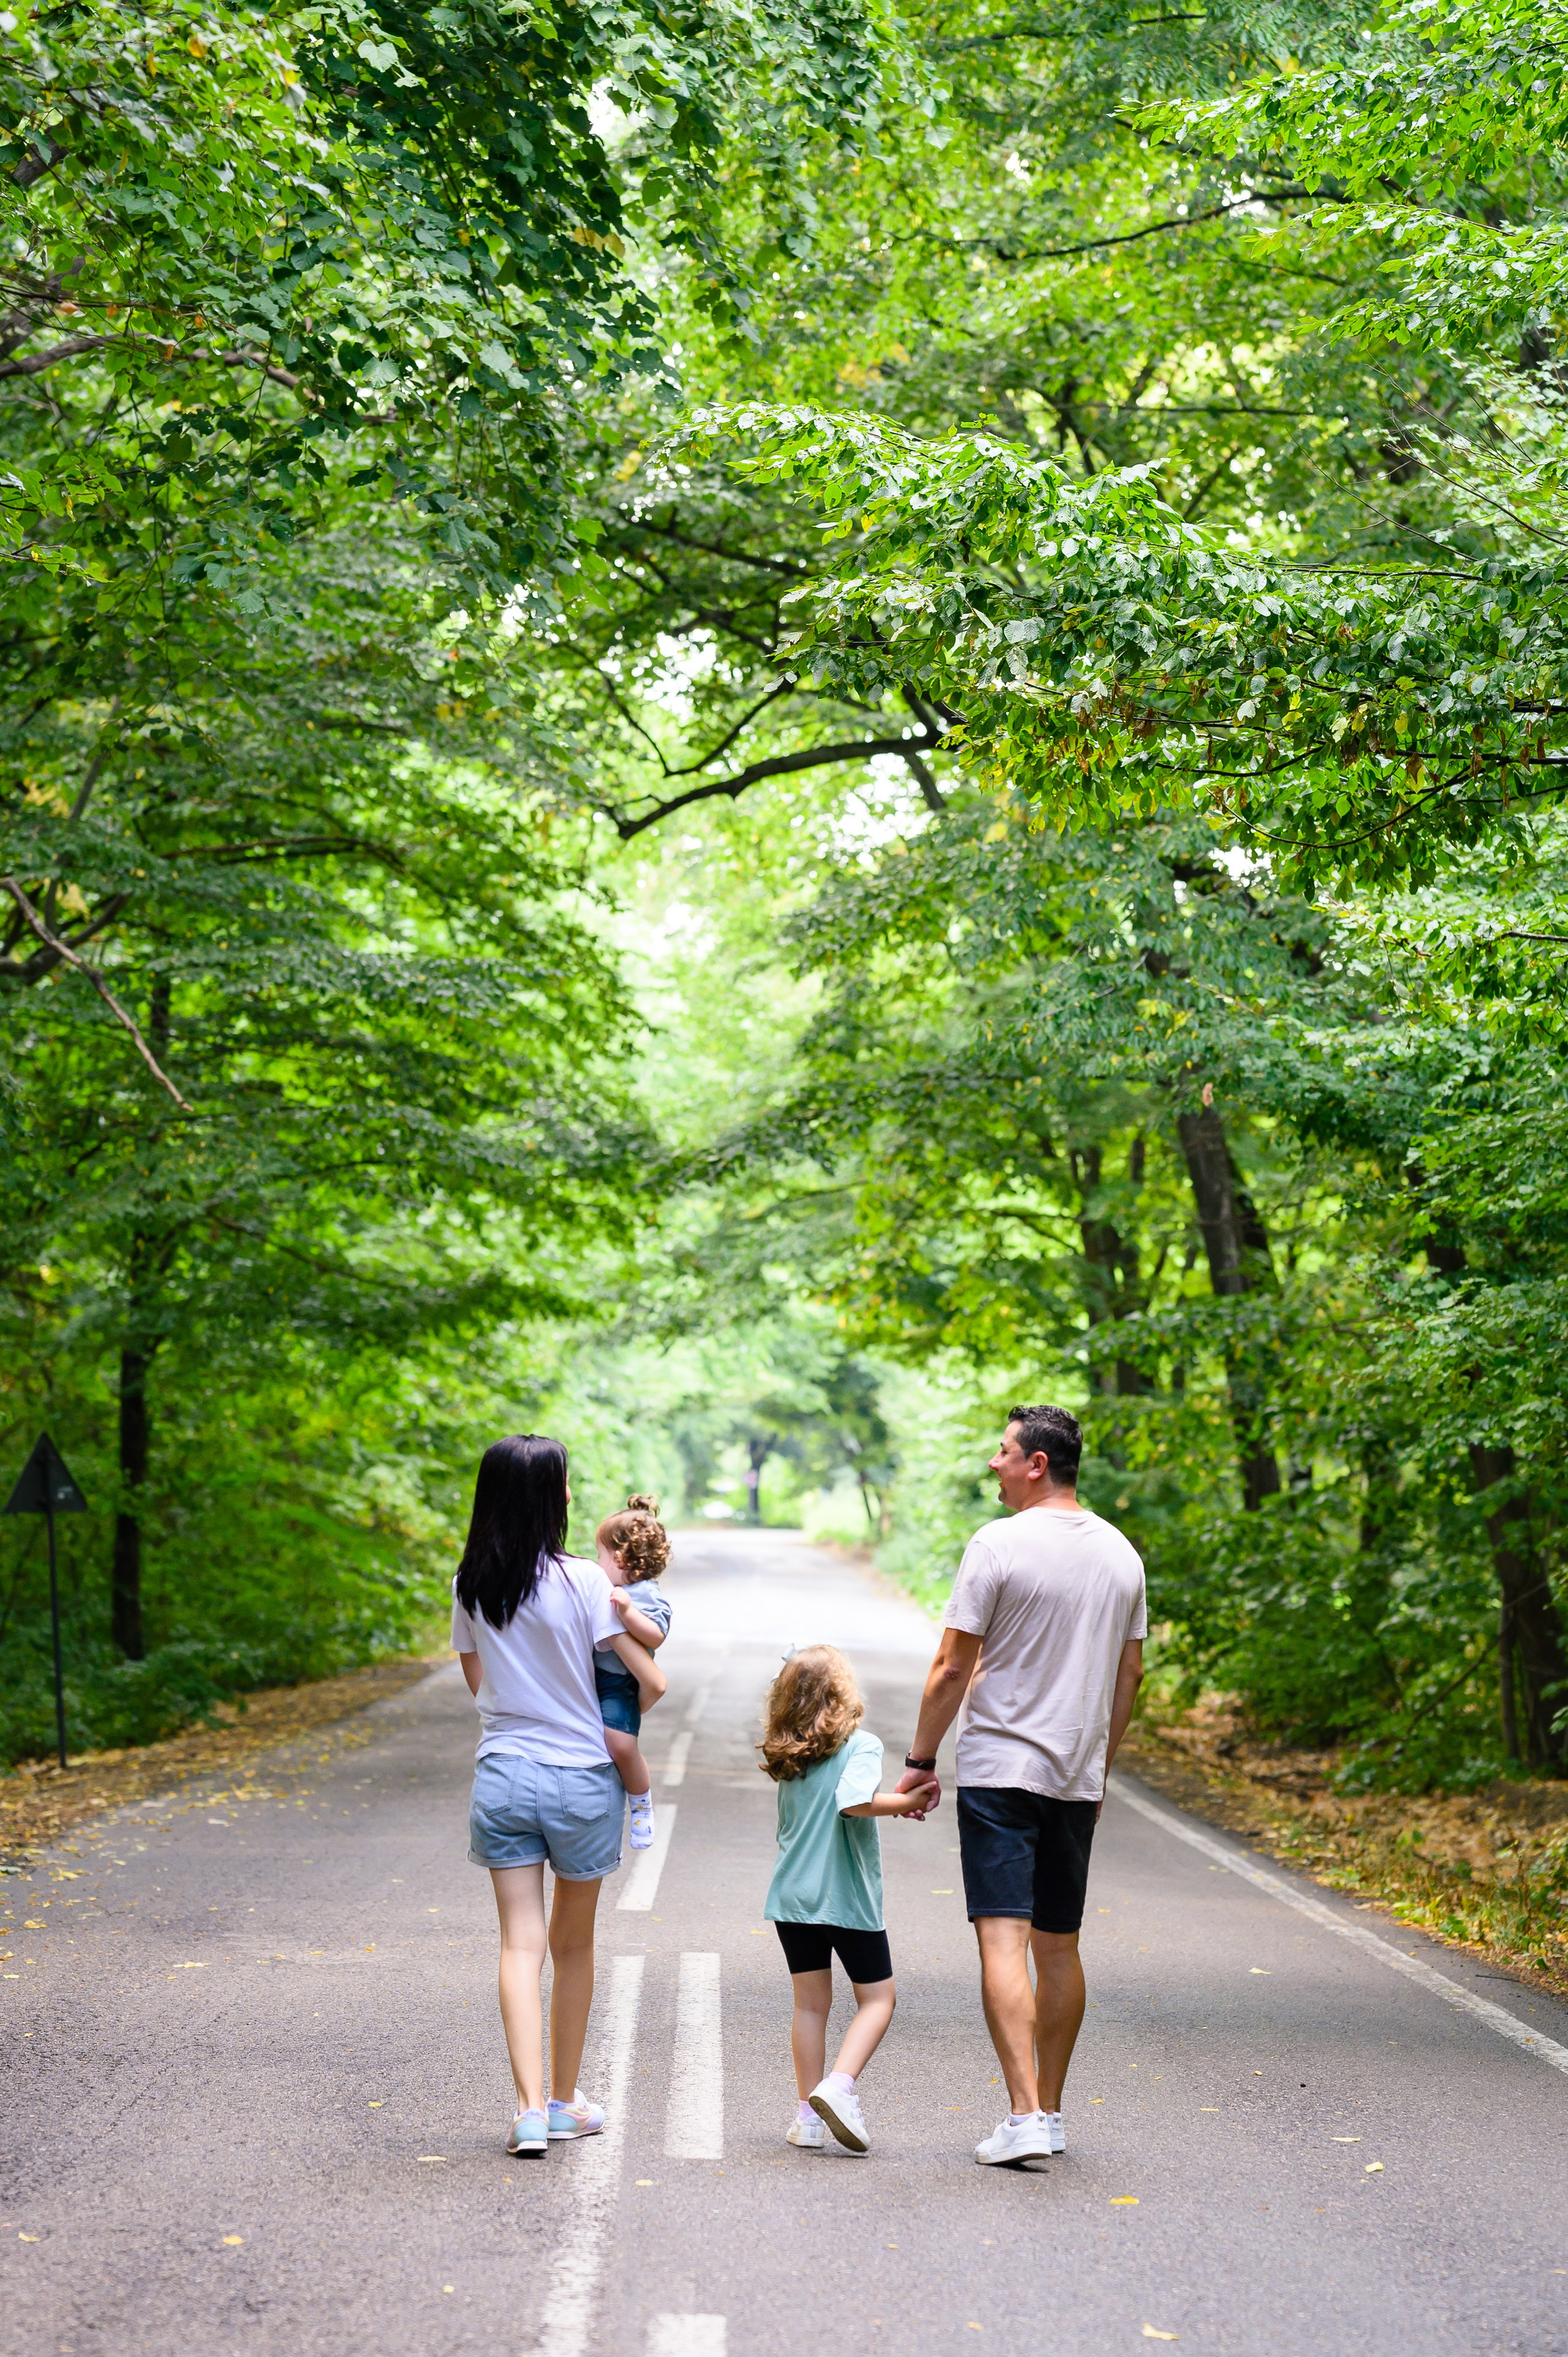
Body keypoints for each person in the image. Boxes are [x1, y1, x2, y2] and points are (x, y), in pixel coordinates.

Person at [895, 1405, 1145, 2169]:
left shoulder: (997, 1543)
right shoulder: (1122, 1554)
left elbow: (950, 1666)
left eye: (1003, 1453)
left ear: (1037, 1462)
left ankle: (1023, 2111)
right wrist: (1100, 1764)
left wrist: (921, 1759)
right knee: (1059, 1945)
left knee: (1001, 1938)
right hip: (1074, 1774)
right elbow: (1129, 1673)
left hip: (1002, 1770)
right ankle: (1052, 2113)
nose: (993, 1465)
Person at [452, 1433, 666, 2158]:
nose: (573, 1493)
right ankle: (564, 2100)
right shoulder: (585, 1583)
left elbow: (479, 1683)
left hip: (504, 1772)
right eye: (566, 1484)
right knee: (572, 1948)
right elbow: (641, 1674)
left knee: (518, 1943)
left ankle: (524, 2111)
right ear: (553, 1497)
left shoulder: (471, 1582)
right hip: (579, 1779)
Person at [759, 1644, 929, 2155]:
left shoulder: (790, 1756)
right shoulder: (861, 1745)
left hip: (793, 1898)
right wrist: (908, 1802)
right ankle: (839, 2084)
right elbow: (854, 1803)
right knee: (878, 2000)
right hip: (846, 1897)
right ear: (843, 1694)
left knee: (810, 2007)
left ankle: (807, 2116)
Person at [593, 1496, 673, 1852]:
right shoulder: (608, 1587)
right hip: (589, 1675)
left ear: (621, 1559)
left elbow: (656, 1635)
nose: (597, 1564)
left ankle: (641, 1805)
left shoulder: (644, 1595)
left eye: (600, 1556)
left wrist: (627, 1613)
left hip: (619, 1683)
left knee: (622, 1745)